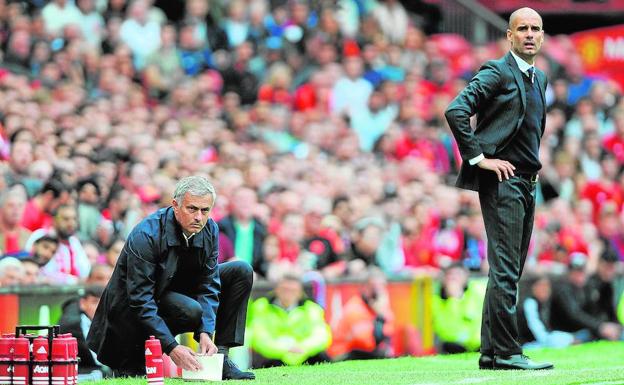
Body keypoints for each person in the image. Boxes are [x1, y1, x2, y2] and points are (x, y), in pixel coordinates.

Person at [444, 7, 553, 370]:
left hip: (528, 183)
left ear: (542, 35)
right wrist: (479, 158)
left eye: (536, 28)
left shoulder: (540, 79)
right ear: (509, 35)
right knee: (506, 269)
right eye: (522, 28)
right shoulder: (497, 71)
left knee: (509, 270)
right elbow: (457, 110)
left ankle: (491, 352)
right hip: (504, 182)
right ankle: (508, 352)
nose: (529, 34)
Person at [86, 176, 255, 380]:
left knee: (241, 271)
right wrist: (172, 347)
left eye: (205, 210)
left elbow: (208, 284)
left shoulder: (210, 229)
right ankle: (139, 355)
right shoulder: (146, 234)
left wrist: (206, 331)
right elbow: (140, 299)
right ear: (175, 205)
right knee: (191, 310)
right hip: (128, 311)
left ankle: (220, 357)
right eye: (192, 209)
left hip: (173, 292)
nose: (199, 217)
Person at [247, 274, 331, 368]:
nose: (288, 294)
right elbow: (258, 336)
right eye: (285, 289)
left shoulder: (312, 308)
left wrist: (303, 348)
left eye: (293, 290)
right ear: (277, 289)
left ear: (300, 292)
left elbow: (321, 335)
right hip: (272, 356)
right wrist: (284, 349)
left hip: (305, 354)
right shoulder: (261, 306)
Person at [550, 252, 622, 342]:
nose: (579, 275)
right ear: (569, 272)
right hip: (566, 333)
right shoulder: (563, 288)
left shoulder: (586, 286)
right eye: (576, 271)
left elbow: (596, 310)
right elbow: (574, 313)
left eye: (582, 271)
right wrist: (600, 327)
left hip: (583, 329)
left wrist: (609, 325)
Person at [58, 285, 112, 377]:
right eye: (95, 302)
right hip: (71, 372)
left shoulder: (101, 321)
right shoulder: (75, 324)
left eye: (103, 303)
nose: (100, 307)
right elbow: (98, 361)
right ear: (83, 303)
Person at [431, 263, 485, 354]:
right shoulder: (436, 300)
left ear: (466, 277)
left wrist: (460, 297)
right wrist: (453, 300)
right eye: (450, 275)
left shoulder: (476, 291)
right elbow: (445, 331)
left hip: (478, 346)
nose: (454, 279)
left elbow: (475, 321)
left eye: (458, 275)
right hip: (452, 347)